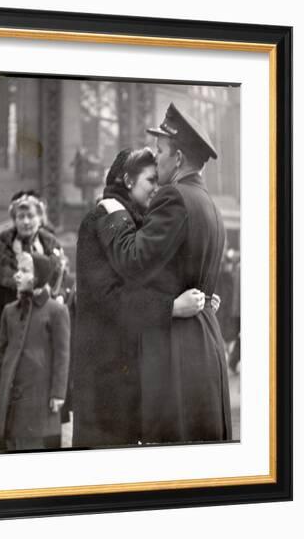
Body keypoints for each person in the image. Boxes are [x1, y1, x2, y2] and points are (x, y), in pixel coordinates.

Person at [98, 103, 232, 444]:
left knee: (170, 460)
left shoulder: (174, 196)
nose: (155, 161)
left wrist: (114, 214)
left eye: (160, 151)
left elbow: (133, 260)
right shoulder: (211, 206)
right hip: (205, 347)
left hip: (175, 354)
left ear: (179, 158)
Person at [73, 147, 214, 449]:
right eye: (150, 180)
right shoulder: (100, 218)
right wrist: (171, 308)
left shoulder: (134, 220)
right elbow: (108, 300)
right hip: (104, 376)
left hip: (127, 374)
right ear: (127, 180)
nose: (156, 188)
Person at [0, 252, 70, 451]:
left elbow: (62, 355)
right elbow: (1, 353)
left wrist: (58, 393)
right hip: (9, 395)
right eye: (18, 270)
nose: (16, 275)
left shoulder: (56, 311)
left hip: (39, 396)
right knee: (7, 446)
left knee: (33, 447)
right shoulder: (9, 311)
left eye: (24, 271)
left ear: (39, 277)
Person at [0, 192, 62, 362]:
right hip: (7, 317)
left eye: (30, 216)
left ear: (40, 219)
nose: (25, 222)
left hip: (43, 321)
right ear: (14, 220)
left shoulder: (51, 246)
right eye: (20, 216)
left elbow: (56, 281)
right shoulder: (1, 247)